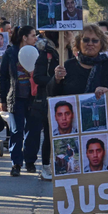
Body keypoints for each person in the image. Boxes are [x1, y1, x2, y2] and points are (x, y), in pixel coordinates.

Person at [49, 24, 108, 214]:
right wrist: (56, 78)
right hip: (70, 129)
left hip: (97, 129)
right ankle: (69, 207)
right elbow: (53, 96)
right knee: (70, 168)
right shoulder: (68, 66)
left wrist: (107, 91)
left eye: (94, 40)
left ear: (101, 43)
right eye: (86, 40)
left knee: (93, 171)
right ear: (78, 43)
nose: (90, 44)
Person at [0, 26, 43, 177]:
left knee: (33, 132)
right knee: (16, 131)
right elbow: (3, 77)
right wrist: (3, 99)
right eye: (33, 35)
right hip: (16, 98)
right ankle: (16, 163)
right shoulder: (11, 53)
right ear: (24, 37)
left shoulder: (38, 53)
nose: (36, 38)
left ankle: (30, 161)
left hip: (34, 99)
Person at [32, 30, 74, 180]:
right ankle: (46, 167)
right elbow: (37, 77)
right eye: (68, 32)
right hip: (50, 99)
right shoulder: (46, 53)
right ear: (60, 35)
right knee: (50, 134)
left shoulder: (73, 52)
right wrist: (54, 79)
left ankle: (65, 166)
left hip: (69, 99)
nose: (72, 34)